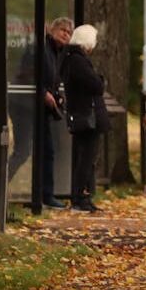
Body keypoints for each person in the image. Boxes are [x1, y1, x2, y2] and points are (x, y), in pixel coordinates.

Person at [0, 17, 73, 209]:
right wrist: (43, 93)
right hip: (23, 106)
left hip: (39, 109)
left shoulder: (57, 53)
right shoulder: (38, 49)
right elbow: (26, 76)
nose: (66, 34)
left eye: (69, 32)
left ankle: (46, 195)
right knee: (23, 151)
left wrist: (55, 96)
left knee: (47, 150)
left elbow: (50, 80)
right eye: (62, 30)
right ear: (52, 30)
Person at [59, 24, 109, 212]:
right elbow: (96, 84)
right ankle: (79, 198)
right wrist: (100, 79)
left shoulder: (72, 59)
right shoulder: (78, 60)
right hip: (86, 116)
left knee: (86, 158)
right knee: (86, 158)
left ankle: (83, 196)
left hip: (82, 114)